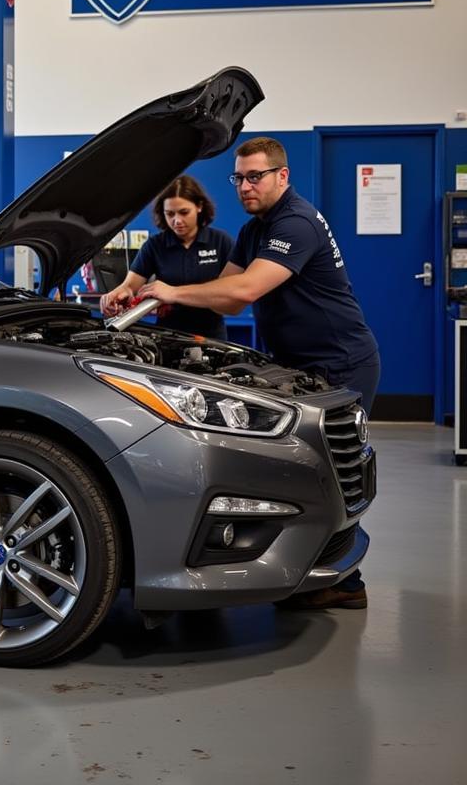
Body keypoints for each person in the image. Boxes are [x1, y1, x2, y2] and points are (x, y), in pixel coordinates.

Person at [137, 136, 379, 610]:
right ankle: (306, 571)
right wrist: (152, 296)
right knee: (303, 472)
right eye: (239, 178)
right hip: (299, 365)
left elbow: (246, 289)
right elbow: (225, 293)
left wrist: (171, 291)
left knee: (331, 473)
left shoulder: (296, 222)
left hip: (340, 361)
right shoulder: (255, 229)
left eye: (255, 177)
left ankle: (344, 582)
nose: (245, 186)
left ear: (281, 176)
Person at [100, 175, 234, 338]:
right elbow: (129, 286)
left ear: (199, 206)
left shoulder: (221, 242)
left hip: (211, 337)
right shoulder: (155, 245)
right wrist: (115, 295)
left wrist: (173, 292)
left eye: (184, 212)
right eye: (170, 214)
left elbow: (232, 293)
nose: (177, 220)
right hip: (168, 336)